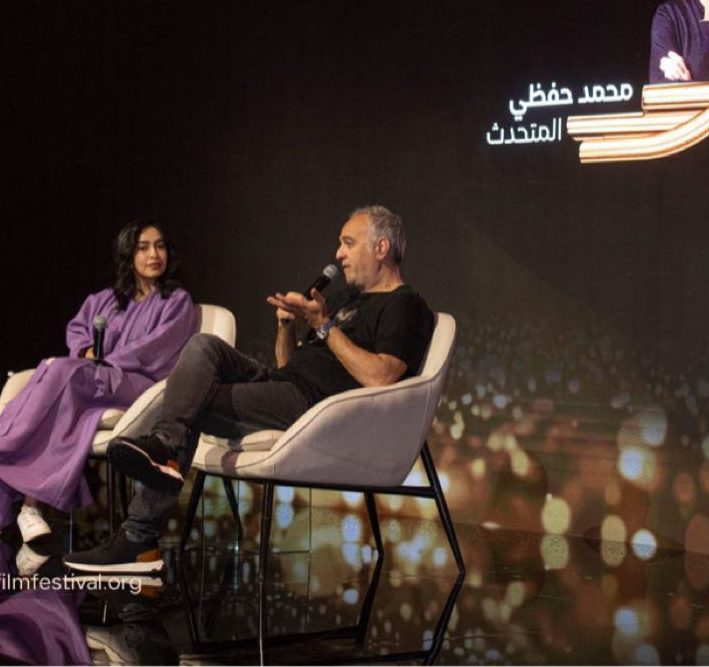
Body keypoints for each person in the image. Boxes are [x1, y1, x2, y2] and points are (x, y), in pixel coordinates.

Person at [64, 205, 435, 573]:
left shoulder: (405, 304)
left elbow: (381, 377)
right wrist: (287, 326)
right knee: (204, 346)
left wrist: (324, 325)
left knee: (190, 403)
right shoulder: (344, 301)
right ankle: (164, 448)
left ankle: (138, 533)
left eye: (348, 243)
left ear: (381, 248)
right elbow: (287, 365)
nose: (338, 254)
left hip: (314, 406)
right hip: (283, 385)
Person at [0, 220, 199, 542]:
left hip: (137, 385)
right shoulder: (106, 299)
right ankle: (31, 509)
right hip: (96, 381)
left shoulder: (177, 301)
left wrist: (102, 360)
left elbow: (157, 349)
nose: (154, 254)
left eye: (159, 246)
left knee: (61, 369)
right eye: (143, 247)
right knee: (68, 407)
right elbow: (78, 330)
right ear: (127, 254)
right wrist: (86, 351)